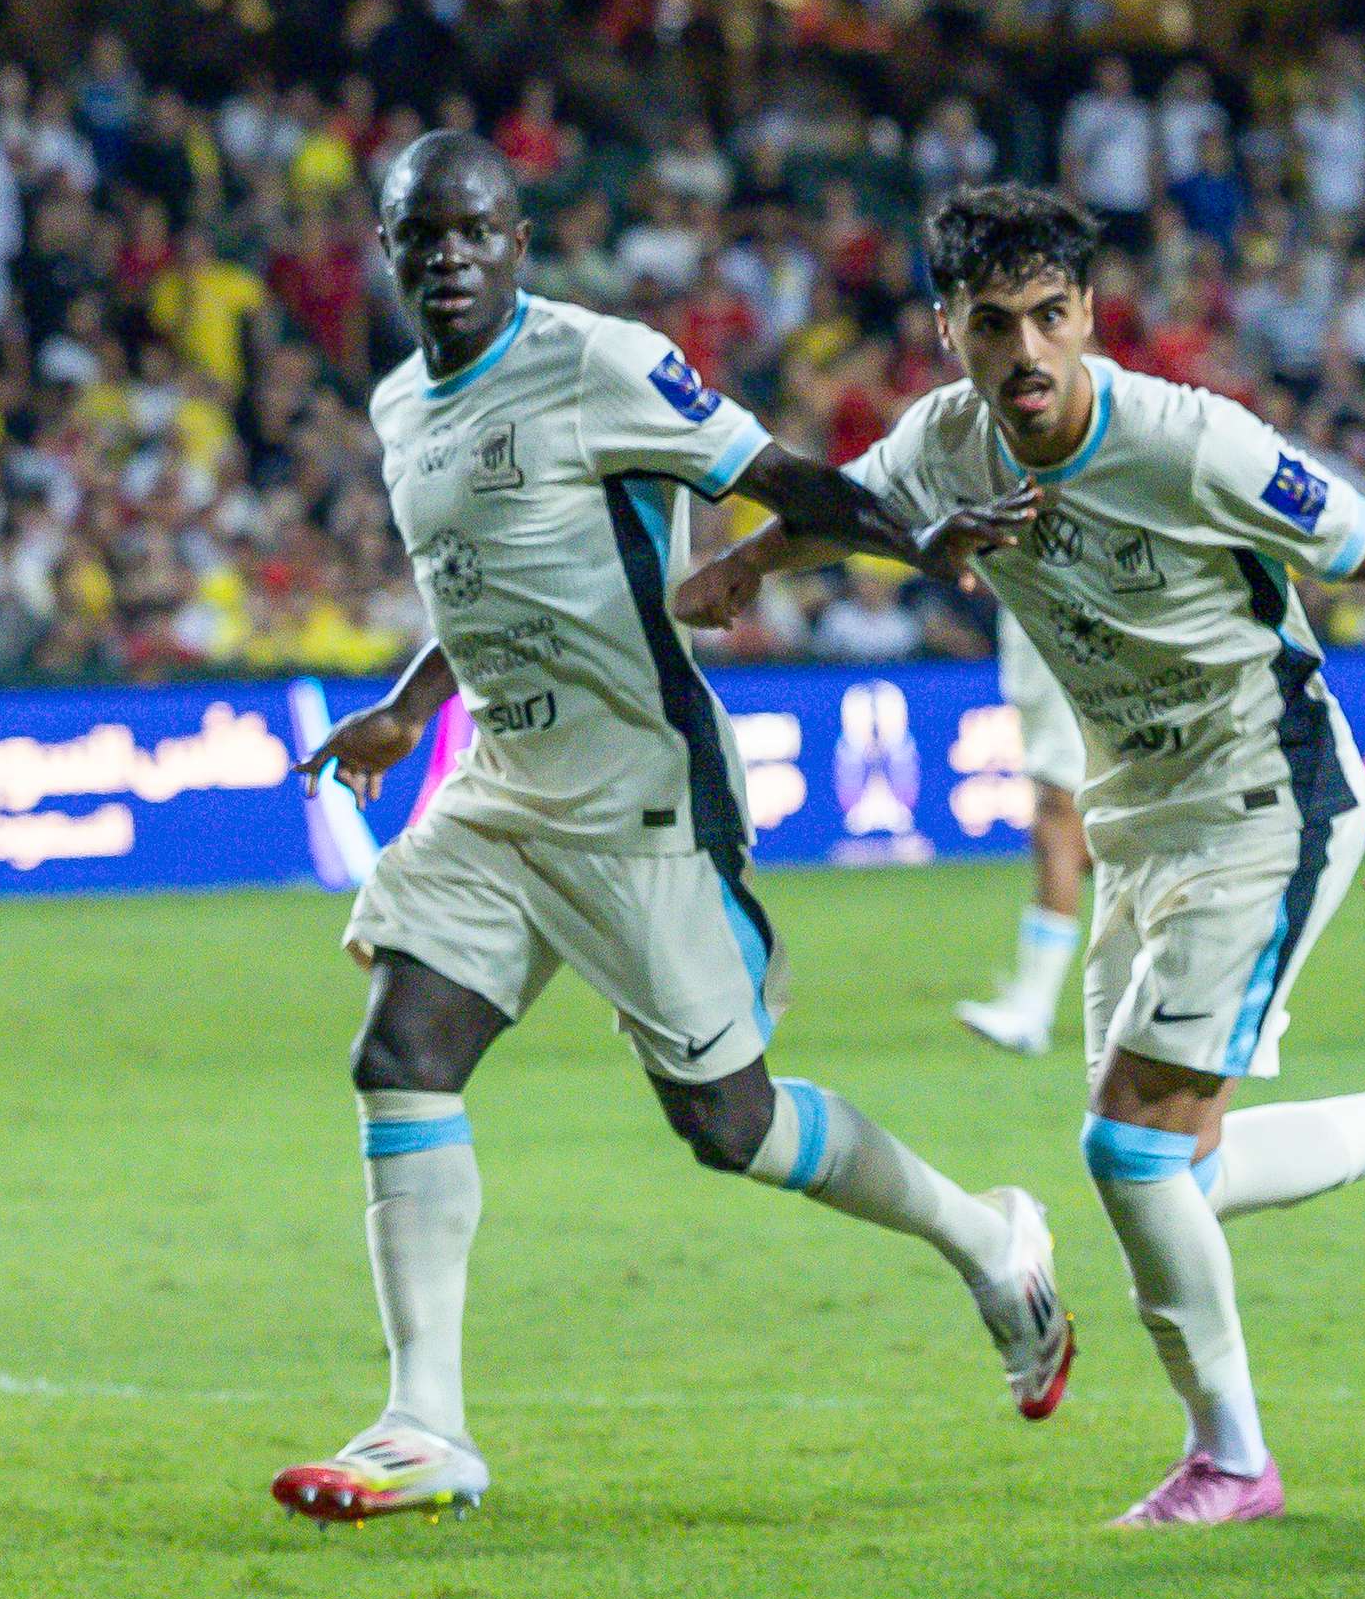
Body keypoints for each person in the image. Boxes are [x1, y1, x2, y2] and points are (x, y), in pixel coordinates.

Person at [674, 185, 1365, 1529]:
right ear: (949, 331)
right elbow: (852, 510)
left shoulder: (1190, 441)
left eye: (1051, 315)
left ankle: (1233, 1460)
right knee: (1184, 1169)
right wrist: (754, 565)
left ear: (1090, 315)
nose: (1028, 351)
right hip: (1139, 814)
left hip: (1268, 795)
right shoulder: (945, 443)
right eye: (995, 324)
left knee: (1128, 1148)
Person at [276, 134, 1074, 1527]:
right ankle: (424, 1425)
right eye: (423, 236)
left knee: (730, 1123)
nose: (450, 257)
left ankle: (988, 1237)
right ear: (389, 252)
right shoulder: (404, 404)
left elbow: (780, 478)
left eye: (476, 231)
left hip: (639, 790)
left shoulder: (599, 362)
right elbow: (485, 585)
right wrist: (407, 710)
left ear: (520, 242)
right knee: (402, 1054)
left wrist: (917, 540)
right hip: (502, 786)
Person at [954, 625, 1091, 1055]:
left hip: (1063, 634)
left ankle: (1033, 1007)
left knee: (1058, 810)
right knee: (1090, 823)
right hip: (1056, 637)